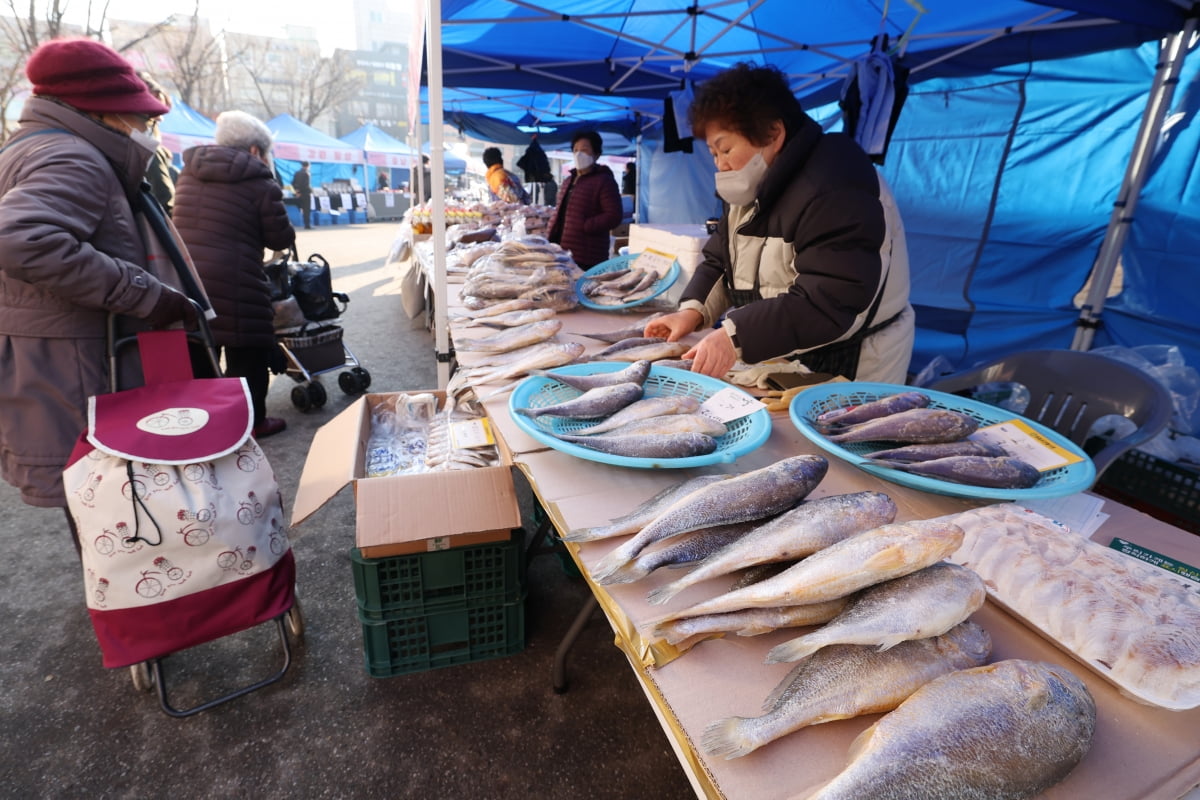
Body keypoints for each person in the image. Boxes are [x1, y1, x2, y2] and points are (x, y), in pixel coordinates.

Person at [0, 37, 197, 546]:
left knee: (101, 508)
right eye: (139, 118)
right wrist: (144, 293)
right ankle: (147, 611)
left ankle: (134, 602)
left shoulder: (33, 145)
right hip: (77, 367)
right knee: (115, 506)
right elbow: (21, 238)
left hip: (53, 362)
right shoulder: (74, 156)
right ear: (105, 112)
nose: (143, 130)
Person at [645, 63, 913, 384]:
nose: (721, 164)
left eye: (726, 148)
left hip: (855, 356)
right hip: (785, 344)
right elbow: (721, 261)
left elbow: (828, 299)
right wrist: (692, 312)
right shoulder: (753, 180)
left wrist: (736, 335)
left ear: (773, 133)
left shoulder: (836, 183)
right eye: (713, 154)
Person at [173, 110, 296, 439]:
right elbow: (280, 238)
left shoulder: (188, 172)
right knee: (248, 354)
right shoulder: (258, 179)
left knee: (200, 351)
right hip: (237, 280)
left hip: (187, 281)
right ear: (256, 151)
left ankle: (206, 425)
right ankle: (250, 425)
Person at [546, 130, 623, 268]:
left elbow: (614, 216)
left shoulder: (604, 181)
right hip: (562, 251)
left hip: (588, 255)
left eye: (584, 150)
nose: (579, 154)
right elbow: (561, 211)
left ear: (596, 154)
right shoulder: (568, 181)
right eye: (575, 150)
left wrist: (586, 225)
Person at [137, 71, 177, 216]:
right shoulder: (148, 151)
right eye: (151, 115)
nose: (160, 119)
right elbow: (166, 201)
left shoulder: (154, 149)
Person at [293, 160, 313, 229]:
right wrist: (311, 190)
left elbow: (293, 183)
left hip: (299, 194)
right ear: (308, 166)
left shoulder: (297, 173)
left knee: (301, 209)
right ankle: (307, 225)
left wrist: (297, 192)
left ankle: (306, 224)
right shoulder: (307, 173)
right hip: (306, 193)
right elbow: (306, 185)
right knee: (306, 210)